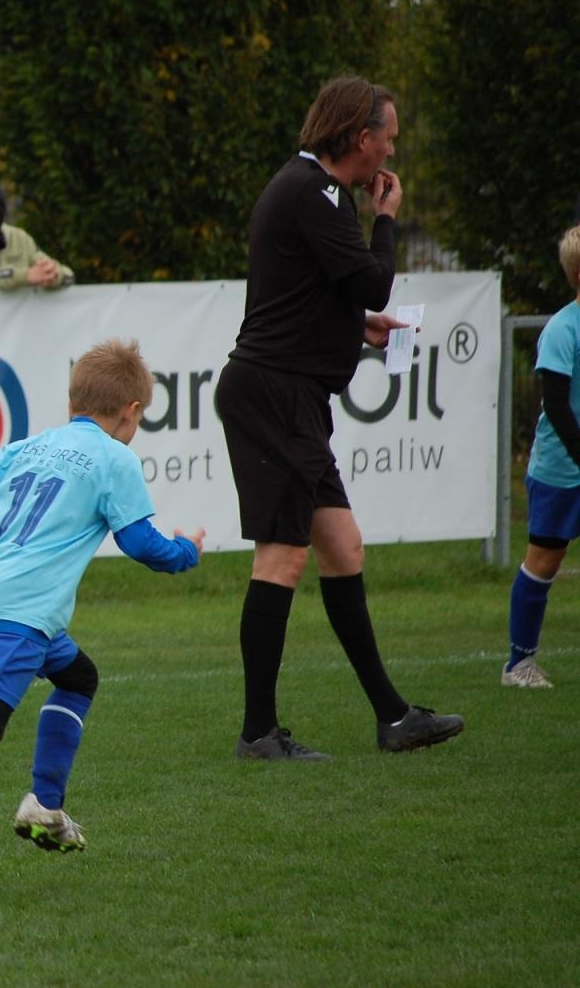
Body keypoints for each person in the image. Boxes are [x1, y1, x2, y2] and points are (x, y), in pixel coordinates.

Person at [0, 339, 203, 905]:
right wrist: (187, 550)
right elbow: (143, 544)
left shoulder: (32, 445)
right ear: (132, 411)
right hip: (26, 610)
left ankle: (45, 808)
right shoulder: (115, 459)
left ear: (73, 399)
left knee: (78, 677)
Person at [215, 75, 464, 761]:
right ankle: (258, 733)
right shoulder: (316, 193)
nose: (392, 149)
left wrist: (359, 329)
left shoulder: (311, 192)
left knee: (342, 546)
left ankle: (392, 718)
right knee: (282, 555)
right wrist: (385, 217)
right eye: (388, 136)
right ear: (362, 137)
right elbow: (372, 280)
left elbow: (309, 299)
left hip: (288, 394)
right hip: (275, 396)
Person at [503, 223, 580, 689]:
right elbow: (555, 404)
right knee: (544, 562)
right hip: (560, 468)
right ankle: (519, 664)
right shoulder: (561, 330)